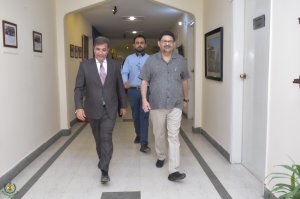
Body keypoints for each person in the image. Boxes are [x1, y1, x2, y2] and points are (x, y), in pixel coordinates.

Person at [74, 36, 127, 184]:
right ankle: (103, 159)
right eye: (98, 49)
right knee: (98, 140)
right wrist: (78, 106)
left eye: (104, 50)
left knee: (106, 138)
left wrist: (123, 106)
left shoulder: (115, 65)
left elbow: (120, 86)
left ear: (108, 50)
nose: (101, 53)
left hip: (110, 109)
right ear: (93, 49)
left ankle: (104, 170)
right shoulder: (85, 65)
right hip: (92, 109)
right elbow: (78, 88)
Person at [139, 31, 190, 181]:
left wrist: (186, 99)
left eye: (170, 41)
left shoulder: (180, 60)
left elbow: (185, 80)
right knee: (159, 134)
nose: (167, 43)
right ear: (159, 43)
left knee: (174, 136)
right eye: (164, 41)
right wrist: (144, 100)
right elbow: (144, 81)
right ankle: (161, 156)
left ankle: (174, 170)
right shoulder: (151, 61)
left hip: (176, 103)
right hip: (156, 104)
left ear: (174, 44)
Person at [122, 34, 151, 153]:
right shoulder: (129, 58)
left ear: (145, 45)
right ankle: (138, 134)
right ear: (134, 45)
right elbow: (124, 72)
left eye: (142, 42)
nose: (139, 44)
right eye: (137, 42)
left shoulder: (151, 58)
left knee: (144, 116)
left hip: (147, 91)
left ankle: (144, 143)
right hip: (133, 90)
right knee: (135, 115)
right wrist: (125, 82)